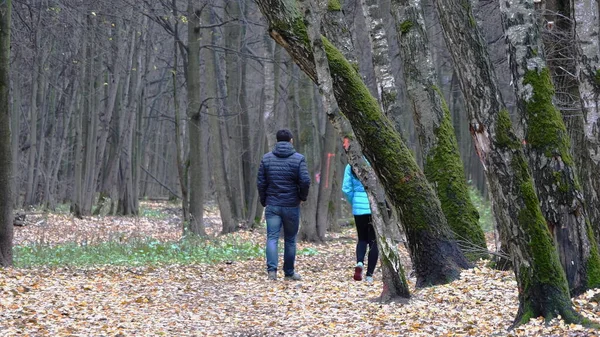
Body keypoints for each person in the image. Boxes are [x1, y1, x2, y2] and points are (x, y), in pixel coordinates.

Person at [257, 129, 311, 281]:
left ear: (277, 140)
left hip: (273, 205)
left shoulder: (266, 159)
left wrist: (264, 200)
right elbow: (305, 181)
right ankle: (289, 273)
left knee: (272, 238)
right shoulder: (298, 159)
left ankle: (272, 272)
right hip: (291, 205)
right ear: (291, 140)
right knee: (290, 240)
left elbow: (261, 182)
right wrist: (302, 197)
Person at [342, 163, 379, 283]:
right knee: (373, 241)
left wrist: (355, 201)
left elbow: (346, 188)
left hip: (359, 208)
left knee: (362, 239)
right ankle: (369, 275)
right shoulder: (374, 163)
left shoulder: (351, 165)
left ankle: (359, 263)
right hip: (373, 207)